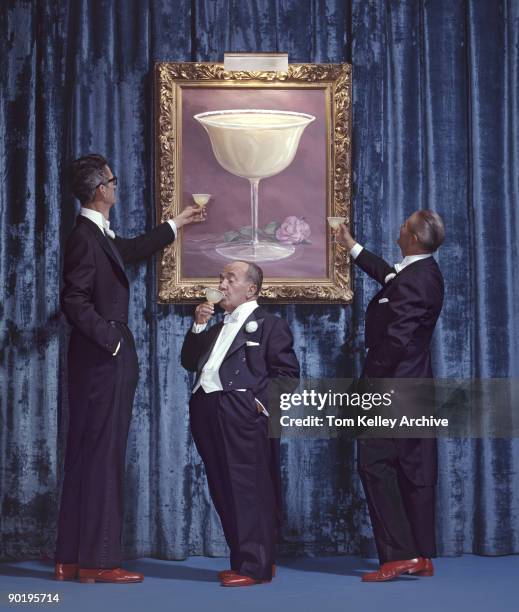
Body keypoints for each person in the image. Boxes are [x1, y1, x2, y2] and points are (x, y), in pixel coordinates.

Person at [55, 154, 204, 584]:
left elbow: (133, 249)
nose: (117, 187)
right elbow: (73, 301)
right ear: (101, 189)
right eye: (113, 181)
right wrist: (114, 339)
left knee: (86, 455)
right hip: (104, 360)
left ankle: (69, 559)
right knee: (102, 458)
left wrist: (178, 223)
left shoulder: (94, 233)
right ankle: (100, 563)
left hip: (95, 362)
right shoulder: (85, 237)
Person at [337, 210, 445, 582]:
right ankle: (420, 554)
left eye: (403, 227)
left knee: (376, 466)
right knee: (413, 469)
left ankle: (399, 556)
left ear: (413, 238)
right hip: (411, 388)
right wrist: (352, 247)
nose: (398, 230)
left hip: (392, 389)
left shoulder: (419, 279)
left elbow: (397, 341)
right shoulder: (419, 272)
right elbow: (388, 277)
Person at [181, 261, 300, 587]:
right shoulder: (216, 326)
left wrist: (257, 405)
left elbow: (288, 377)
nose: (221, 283)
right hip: (207, 408)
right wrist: (198, 325)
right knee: (223, 488)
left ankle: (256, 567)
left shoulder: (270, 325)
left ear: (251, 289)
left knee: (248, 490)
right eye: (221, 277)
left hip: (241, 411)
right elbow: (189, 362)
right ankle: (246, 561)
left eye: (229, 278)